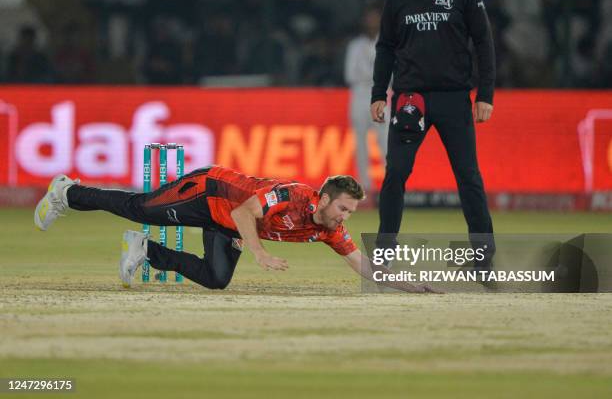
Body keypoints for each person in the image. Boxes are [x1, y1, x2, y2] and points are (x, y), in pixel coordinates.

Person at [34, 166, 436, 293]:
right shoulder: (294, 195)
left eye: (351, 213)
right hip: (207, 193)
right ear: (326, 199)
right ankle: (67, 193)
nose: (346, 218)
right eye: (344, 209)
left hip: (227, 223)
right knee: (139, 207)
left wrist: (412, 285)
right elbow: (246, 212)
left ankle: (147, 251)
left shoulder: (329, 228)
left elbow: (363, 265)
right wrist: (259, 252)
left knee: (216, 279)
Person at [370, 0, 496, 269]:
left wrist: (485, 94)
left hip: (454, 97)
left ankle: (483, 256)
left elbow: (483, 41)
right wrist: (378, 93)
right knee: (396, 173)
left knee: (468, 175)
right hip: (410, 100)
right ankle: (384, 250)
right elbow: (386, 47)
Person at [345, 3, 388, 200]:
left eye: (375, 18)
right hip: (360, 97)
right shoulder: (355, 45)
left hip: (382, 97)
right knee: (360, 144)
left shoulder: (388, 43)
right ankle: (363, 187)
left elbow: (392, 75)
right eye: (369, 18)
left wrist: (369, 75)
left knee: (385, 143)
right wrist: (374, 75)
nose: (372, 22)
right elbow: (349, 74)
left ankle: (391, 186)